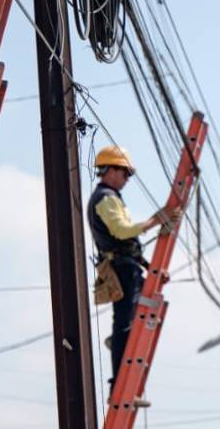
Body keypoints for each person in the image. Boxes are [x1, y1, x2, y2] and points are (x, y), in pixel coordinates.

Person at [87, 146, 181, 391]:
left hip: (126, 266)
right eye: (125, 173)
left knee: (131, 320)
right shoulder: (105, 198)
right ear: (110, 170)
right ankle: (118, 381)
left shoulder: (111, 197)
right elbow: (122, 231)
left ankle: (120, 345)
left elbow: (128, 245)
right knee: (125, 323)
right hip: (121, 269)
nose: (127, 178)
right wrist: (156, 220)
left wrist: (151, 268)